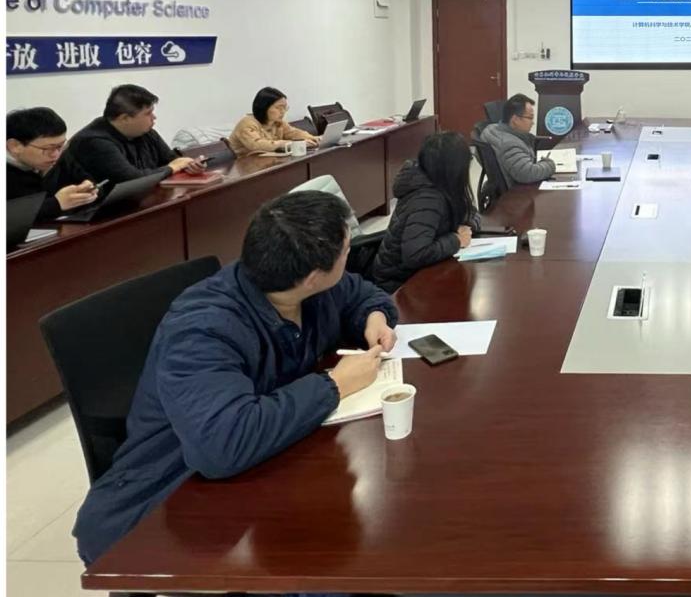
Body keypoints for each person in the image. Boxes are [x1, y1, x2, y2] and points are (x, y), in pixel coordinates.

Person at [73, 190, 398, 567]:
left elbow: (360, 293)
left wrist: (374, 317)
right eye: (346, 251)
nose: (349, 255)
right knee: (347, 563)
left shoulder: (296, 284)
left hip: (271, 465)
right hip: (172, 503)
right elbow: (221, 447)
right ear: (312, 277)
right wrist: (334, 385)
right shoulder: (202, 330)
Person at [371, 131, 482, 293]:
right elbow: (415, 255)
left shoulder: (443, 185)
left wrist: (467, 225)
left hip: (425, 270)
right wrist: (456, 240)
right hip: (399, 284)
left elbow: (472, 212)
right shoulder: (427, 199)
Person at [57, 84, 204, 185]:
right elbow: (131, 181)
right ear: (125, 118)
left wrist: (190, 166)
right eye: (148, 113)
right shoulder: (94, 141)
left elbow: (172, 160)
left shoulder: (146, 132)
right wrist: (171, 168)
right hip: (98, 215)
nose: (154, 117)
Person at [6, 107, 98, 220]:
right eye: (48, 148)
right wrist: (56, 204)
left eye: (60, 146)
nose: (56, 155)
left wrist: (89, 188)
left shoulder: (59, 156)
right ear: (15, 146)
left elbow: (86, 180)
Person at [479, 94, 556, 189]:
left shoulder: (491, 129)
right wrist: (550, 165)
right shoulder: (510, 144)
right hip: (517, 192)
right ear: (515, 120)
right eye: (530, 118)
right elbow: (527, 173)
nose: (533, 122)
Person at [226, 87, 318, 155]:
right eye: (279, 108)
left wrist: (312, 139)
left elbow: (294, 133)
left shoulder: (278, 122)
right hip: (245, 167)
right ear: (264, 107)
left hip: (267, 162)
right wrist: (288, 144)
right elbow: (257, 145)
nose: (283, 112)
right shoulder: (247, 123)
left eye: (285, 108)